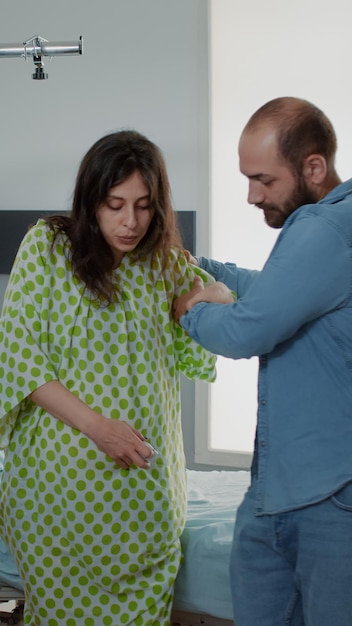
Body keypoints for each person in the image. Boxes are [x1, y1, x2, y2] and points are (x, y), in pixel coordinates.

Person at [0, 129, 217, 626]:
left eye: (143, 205)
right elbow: (20, 360)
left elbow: (207, 338)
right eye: (115, 204)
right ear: (90, 199)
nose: (131, 221)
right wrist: (99, 428)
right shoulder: (47, 249)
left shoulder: (164, 262)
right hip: (56, 493)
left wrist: (216, 291)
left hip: (146, 495)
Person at [172, 96, 352, 626]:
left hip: (327, 493)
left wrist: (190, 311)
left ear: (313, 167)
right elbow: (278, 295)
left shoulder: (328, 229)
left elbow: (252, 327)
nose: (252, 195)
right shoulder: (325, 229)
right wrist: (201, 269)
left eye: (264, 180)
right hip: (279, 486)